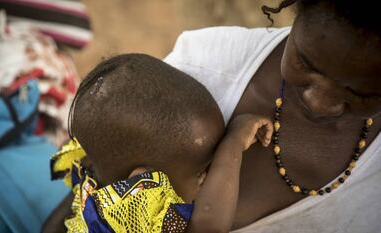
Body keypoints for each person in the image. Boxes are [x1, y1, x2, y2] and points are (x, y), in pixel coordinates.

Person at [164, 0, 381, 232]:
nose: (318, 104)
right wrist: (232, 146)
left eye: (361, 94)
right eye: (306, 64)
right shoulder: (200, 66)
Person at [43, 53, 273, 232]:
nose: (211, 177)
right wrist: (232, 145)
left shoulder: (90, 179)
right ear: (143, 183)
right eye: (202, 170)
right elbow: (210, 227)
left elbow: (54, 223)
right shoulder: (135, 221)